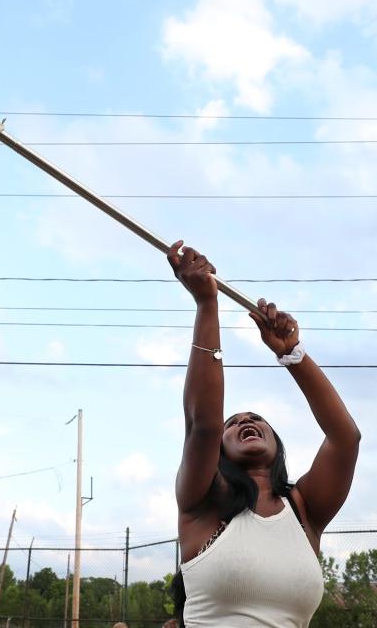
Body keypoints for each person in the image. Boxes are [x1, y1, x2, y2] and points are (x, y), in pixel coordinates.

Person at [167, 241, 360, 627]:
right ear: (217, 451)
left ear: (277, 444)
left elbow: (345, 439)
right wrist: (207, 305)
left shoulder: (305, 511)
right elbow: (203, 423)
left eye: (255, 418)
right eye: (233, 422)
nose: (244, 420)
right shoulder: (202, 502)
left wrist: (293, 354)